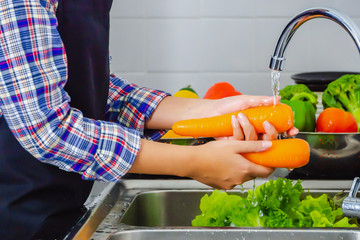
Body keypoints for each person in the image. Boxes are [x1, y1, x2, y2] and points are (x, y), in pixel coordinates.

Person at [0, 0, 297, 239]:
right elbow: (48, 127)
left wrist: (209, 111)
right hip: (15, 219)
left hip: (58, 212)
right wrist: (192, 162)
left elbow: (95, 91)